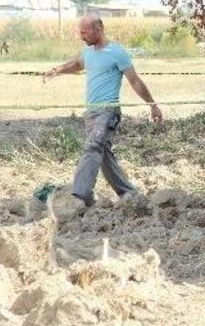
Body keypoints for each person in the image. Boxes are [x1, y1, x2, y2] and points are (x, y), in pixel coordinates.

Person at [43, 14, 163, 207]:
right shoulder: (88, 52)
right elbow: (77, 64)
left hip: (108, 110)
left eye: (84, 32)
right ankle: (129, 193)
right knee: (103, 154)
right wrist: (57, 70)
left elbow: (135, 81)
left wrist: (152, 105)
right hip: (91, 112)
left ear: (98, 29)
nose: (81, 36)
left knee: (92, 146)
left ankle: (79, 196)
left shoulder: (117, 53)